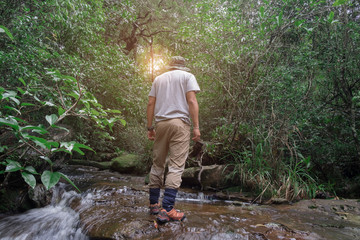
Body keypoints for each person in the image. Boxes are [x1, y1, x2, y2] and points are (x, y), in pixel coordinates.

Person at [146, 56, 201, 223]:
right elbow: (191, 100)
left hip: (161, 124)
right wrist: (196, 126)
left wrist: (150, 128)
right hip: (180, 124)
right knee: (176, 166)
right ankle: (168, 208)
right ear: (183, 66)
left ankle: (154, 204)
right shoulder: (187, 77)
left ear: (170, 66)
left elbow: (150, 103)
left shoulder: (158, 79)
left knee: (158, 163)